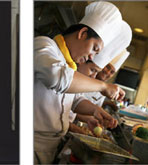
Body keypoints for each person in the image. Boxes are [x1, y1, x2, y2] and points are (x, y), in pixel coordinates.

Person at [34, 2, 125, 163]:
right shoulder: (44, 45)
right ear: (83, 33)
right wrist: (103, 86)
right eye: (94, 48)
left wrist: (95, 111)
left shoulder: (70, 66)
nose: (91, 57)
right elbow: (56, 77)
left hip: (50, 147)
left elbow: (74, 100)